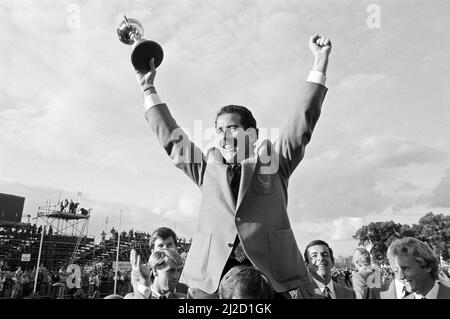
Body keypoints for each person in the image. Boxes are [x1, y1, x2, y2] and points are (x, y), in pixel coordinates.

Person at [134, 33, 332, 299]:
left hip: (271, 279)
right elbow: (172, 139)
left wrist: (319, 65)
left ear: (252, 133)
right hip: (212, 281)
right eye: (219, 130)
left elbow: (301, 124)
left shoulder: (276, 163)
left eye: (233, 128)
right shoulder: (206, 170)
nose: (224, 136)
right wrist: (148, 89)